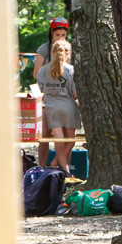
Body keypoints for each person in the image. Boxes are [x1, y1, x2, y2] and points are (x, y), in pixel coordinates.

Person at [35, 39, 81, 173]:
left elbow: (39, 91)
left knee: (58, 142)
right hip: (68, 108)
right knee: (70, 142)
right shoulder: (71, 70)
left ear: (52, 52)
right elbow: (75, 93)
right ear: (67, 53)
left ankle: (59, 167)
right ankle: (62, 169)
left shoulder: (43, 70)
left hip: (51, 109)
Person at [34, 16, 70, 166]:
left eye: (63, 35)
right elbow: (36, 74)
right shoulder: (43, 49)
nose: (60, 38)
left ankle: (61, 169)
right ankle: (42, 168)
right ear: (51, 33)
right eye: (57, 35)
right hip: (47, 97)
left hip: (65, 98)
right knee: (45, 135)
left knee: (67, 137)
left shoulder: (69, 49)